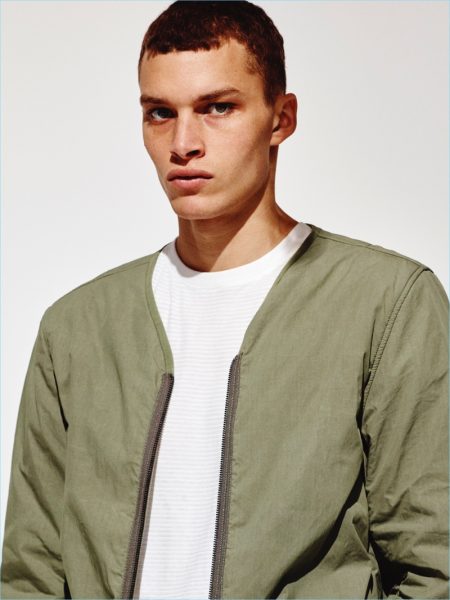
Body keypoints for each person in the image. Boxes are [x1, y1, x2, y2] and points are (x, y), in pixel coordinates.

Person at [1, 1, 448, 598]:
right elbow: (30, 576)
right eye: (160, 113)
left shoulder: (386, 304)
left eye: (218, 108)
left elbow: (434, 567)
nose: (183, 143)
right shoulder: (78, 328)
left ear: (281, 118)